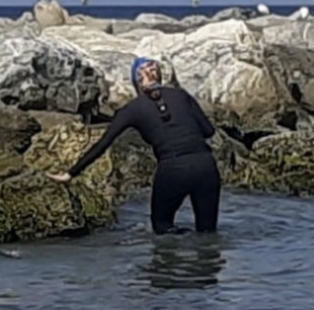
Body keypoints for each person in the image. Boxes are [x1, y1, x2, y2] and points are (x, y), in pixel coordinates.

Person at [46, 57, 222, 235]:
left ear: (135, 83)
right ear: (159, 77)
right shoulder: (181, 95)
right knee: (208, 234)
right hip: (206, 166)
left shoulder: (132, 109)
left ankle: (175, 255)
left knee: (162, 226)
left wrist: (71, 173)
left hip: (173, 169)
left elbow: (104, 143)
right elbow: (208, 131)